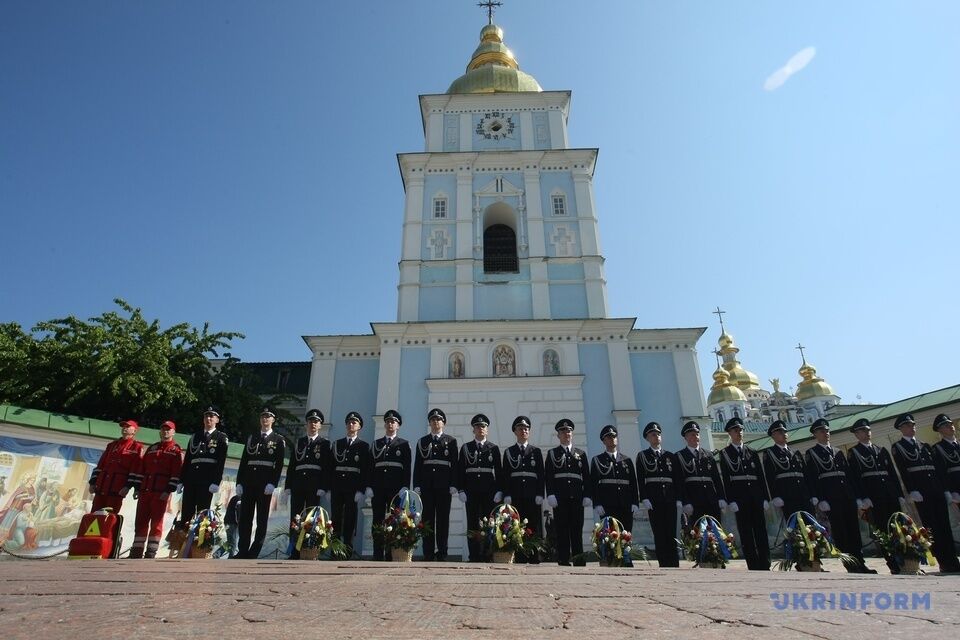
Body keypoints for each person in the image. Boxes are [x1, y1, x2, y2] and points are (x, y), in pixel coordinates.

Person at [804, 418, 875, 573]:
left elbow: (849, 476)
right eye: (822, 431)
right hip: (831, 497)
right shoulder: (812, 453)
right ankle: (849, 563)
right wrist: (820, 498)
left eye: (827, 430)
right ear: (815, 434)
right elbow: (812, 477)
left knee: (853, 530)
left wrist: (857, 496)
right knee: (841, 531)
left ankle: (860, 562)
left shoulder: (838, 452)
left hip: (847, 496)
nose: (826, 433)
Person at [892, 413, 960, 572]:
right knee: (932, 528)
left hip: (935, 489)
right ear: (901, 429)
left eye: (913, 425)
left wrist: (945, 490)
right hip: (921, 491)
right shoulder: (899, 447)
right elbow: (903, 469)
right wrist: (912, 489)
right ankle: (943, 561)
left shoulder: (925, 446)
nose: (912, 428)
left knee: (945, 526)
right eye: (908, 425)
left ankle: (952, 559)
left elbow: (938, 470)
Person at [846, 417, 903, 573]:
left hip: (889, 494)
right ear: (857, 434)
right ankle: (893, 563)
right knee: (882, 531)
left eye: (868, 430)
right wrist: (863, 497)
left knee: (897, 528)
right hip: (873, 496)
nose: (867, 433)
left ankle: (905, 560)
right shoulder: (854, 453)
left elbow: (892, 473)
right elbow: (855, 477)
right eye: (863, 430)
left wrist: (899, 493)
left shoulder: (880, 450)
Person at [718, 417, 770, 571]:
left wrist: (765, 497)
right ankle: (753, 564)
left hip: (755, 496)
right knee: (746, 532)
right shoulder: (725, 454)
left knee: (761, 530)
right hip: (740, 499)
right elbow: (726, 479)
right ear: (729, 433)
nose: (739, 433)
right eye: (735, 430)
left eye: (740, 430)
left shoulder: (752, 452)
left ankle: (765, 563)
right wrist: (730, 499)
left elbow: (760, 477)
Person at [235, 408, 287, 559]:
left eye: (268, 417)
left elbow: (278, 464)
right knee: (245, 517)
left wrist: (273, 483)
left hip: (265, 485)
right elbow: (244, 461)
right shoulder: (252, 438)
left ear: (273, 420)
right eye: (263, 416)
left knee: (261, 518)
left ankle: (254, 550)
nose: (265, 419)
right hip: (249, 482)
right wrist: (239, 482)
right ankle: (243, 549)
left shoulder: (278, 440)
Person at [130, 420, 183, 559]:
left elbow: (176, 473)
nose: (165, 432)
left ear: (173, 432)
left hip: (160, 492)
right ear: (160, 431)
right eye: (163, 429)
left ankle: (151, 552)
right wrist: (137, 488)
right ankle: (136, 551)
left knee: (156, 523)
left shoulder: (175, 450)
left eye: (168, 429)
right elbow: (142, 469)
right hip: (145, 490)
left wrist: (168, 491)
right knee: (140, 521)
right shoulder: (152, 448)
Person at [544, 418, 592, 566]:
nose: (567, 433)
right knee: (562, 529)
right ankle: (563, 558)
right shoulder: (553, 453)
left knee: (577, 528)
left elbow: (587, 476)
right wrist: (550, 493)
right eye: (563, 431)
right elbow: (549, 475)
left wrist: (587, 494)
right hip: (560, 497)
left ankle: (578, 559)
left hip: (577, 496)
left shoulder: (581, 454)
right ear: (558, 435)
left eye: (569, 431)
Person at [413, 408, 458, 561]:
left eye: (438, 419)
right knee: (427, 520)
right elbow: (418, 464)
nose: (435, 422)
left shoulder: (451, 441)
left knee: (443, 520)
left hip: (444, 486)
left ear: (443, 423)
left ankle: (442, 552)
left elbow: (454, 465)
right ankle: (428, 552)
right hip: (427, 486)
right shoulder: (423, 441)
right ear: (430, 423)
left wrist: (454, 484)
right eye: (432, 420)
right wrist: (416, 484)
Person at [284, 408, 330, 559]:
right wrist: (288, 485)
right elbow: (292, 465)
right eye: (311, 421)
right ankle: (294, 550)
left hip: (314, 485)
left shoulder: (324, 444)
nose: (313, 424)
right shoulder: (300, 442)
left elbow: (325, 467)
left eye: (316, 422)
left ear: (320, 426)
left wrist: (323, 486)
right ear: (307, 424)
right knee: (296, 517)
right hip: (298, 483)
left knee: (312, 517)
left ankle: (309, 549)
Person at [457, 413, 503, 562]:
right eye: (477, 426)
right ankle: (474, 555)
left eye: (483, 426)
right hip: (471, 491)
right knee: (473, 523)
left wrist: (499, 490)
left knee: (489, 523)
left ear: (487, 430)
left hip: (489, 491)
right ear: (473, 430)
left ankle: (487, 554)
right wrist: (461, 489)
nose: (480, 429)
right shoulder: (466, 448)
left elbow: (499, 471)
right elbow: (460, 470)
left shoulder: (493, 448)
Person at [328, 411, 373, 557]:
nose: (351, 424)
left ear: (359, 426)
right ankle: (335, 550)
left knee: (350, 519)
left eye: (354, 422)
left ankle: (347, 550)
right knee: (335, 518)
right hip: (337, 485)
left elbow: (366, 469)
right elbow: (330, 467)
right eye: (349, 422)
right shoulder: (337, 444)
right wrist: (329, 488)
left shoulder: (363, 446)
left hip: (353, 487)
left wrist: (361, 490)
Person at [177, 406, 229, 532]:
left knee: (203, 514)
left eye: (212, 416)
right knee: (186, 513)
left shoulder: (221, 438)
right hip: (191, 479)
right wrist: (181, 480)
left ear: (217, 420)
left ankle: (198, 546)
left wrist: (216, 481)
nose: (208, 418)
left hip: (207, 481)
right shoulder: (195, 436)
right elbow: (188, 460)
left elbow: (220, 462)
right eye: (206, 416)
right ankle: (182, 545)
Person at [502, 415, 545, 564]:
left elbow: (541, 474)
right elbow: (505, 475)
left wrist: (540, 493)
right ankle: (519, 555)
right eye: (520, 428)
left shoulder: (536, 452)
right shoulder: (509, 452)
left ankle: (534, 555)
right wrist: (506, 494)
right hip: (516, 494)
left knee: (534, 525)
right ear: (515, 431)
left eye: (526, 428)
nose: (524, 431)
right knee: (516, 526)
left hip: (532, 494)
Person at [636, 421, 680, 567]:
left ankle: (674, 562)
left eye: (658, 434)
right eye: (653, 434)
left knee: (671, 531)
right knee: (659, 532)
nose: (657, 437)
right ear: (647, 438)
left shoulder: (670, 456)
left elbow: (677, 479)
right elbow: (641, 479)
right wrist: (644, 498)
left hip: (669, 498)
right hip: (654, 500)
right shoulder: (643, 456)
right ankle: (664, 562)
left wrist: (678, 498)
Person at [371, 409, 411, 561]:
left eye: (393, 422)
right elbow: (371, 466)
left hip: (396, 488)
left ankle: (390, 553)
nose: (390, 424)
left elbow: (407, 467)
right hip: (378, 487)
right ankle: (377, 552)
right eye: (388, 421)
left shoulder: (403, 445)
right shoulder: (377, 444)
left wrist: (405, 486)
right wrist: (369, 486)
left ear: (398, 425)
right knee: (378, 520)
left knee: (394, 520)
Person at [88, 419, 145, 513]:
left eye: (127, 427)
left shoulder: (137, 447)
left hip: (117, 489)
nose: (124, 428)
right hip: (101, 487)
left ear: (134, 431)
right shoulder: (112, 445)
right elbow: (100, 464)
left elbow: (135, 469)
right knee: (94, 515)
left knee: (110, 517)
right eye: (123, 427)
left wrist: (128, 486)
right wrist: (93, 482)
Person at [590, 425, 639, 532]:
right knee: (609, 538)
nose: (612, 439)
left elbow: (633, 483)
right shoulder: (598, 460)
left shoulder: (626, 460)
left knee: (626, 537)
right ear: (604, 441)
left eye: (614, 436)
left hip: (626, 504)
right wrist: (597, 503)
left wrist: (635, 502)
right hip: (607, 505)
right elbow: (593, 484)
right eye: (608, 437)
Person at [762, 420, 811, 524]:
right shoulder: (770, 453)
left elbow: (806, 475)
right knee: (795, 527)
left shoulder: (795, 452)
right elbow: (770, 476)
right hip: (787, 496)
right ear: (773, 436)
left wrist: (812, 493)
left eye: (785, 432)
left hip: (803, 495)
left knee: (810, 526)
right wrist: (775, 496)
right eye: (780, 433)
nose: (784, 434)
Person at [675, 421, 724, 525]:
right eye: (692, 434)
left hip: (712, 500)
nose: (696, 436)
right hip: (694, 502)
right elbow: (680, 482)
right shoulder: (680, 456)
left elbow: (716, 478)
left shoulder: (708, 455)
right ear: (686, 437)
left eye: (697, 434)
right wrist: (685, 502)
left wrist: (721, 497)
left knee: (716, 533)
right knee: (697, 535)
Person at [931, 413, 960, 512]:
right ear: (940, 430)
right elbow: (941, 472)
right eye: (946, 426)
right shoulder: (937, 448)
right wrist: (951, 491)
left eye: (951, 424)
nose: (951, 427)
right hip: (956, 487)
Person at [224, 493, 241, 558]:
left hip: (227, 522)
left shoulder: (235, 497)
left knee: (230, 540)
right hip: (232, 523)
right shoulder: (239, 499)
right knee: (233, 542)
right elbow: (238, 513)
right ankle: (231, 558)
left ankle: (217, 554)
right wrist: (240, 524)